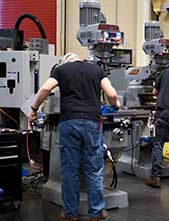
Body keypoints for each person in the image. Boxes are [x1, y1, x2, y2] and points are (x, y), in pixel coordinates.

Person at [29, 53, 120, 221]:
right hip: (93, 123)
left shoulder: (61, 70)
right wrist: (116, 105)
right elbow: (112, 93)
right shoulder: (96, 69)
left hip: (69, 122)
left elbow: (45, 89)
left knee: (70, 169)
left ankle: (70, 213)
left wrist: (34, 109)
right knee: (94, 169)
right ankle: (97, 212)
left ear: (65, 62)